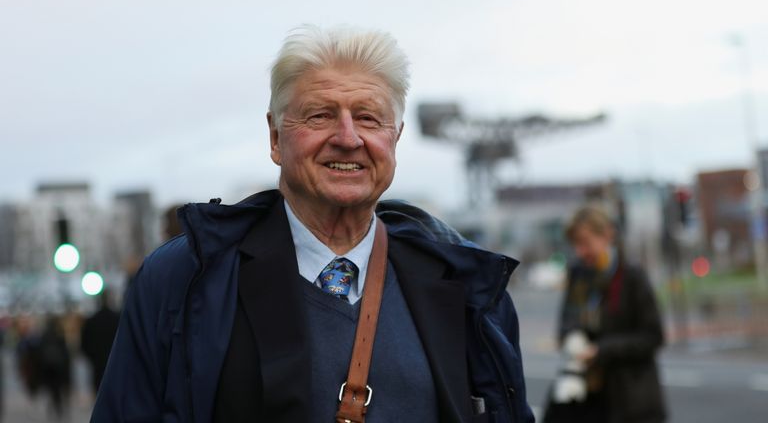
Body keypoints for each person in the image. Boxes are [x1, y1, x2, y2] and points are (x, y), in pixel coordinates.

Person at [92, 25, 533, 423]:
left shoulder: (465, 285)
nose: (347, 138)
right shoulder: (184, 279)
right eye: (320, 115)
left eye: (367, 117)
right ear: (275, 138)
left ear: (394, 138)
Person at [543, 205, 666, 423]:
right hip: (588, 395)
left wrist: (601, 350)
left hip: (631, 400)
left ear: (608, 234)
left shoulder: (632, 277)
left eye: (585, 242)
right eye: (575, 244)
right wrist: (572, 338)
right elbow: (566, 321)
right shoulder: (578, 275)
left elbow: (653, 336)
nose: (580, 252)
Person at [80, 291, 120, 394]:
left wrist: (92, 357)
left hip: (97, 362)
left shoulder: (91, 321)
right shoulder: (118, 319)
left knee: (99, 391)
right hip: (115, 362)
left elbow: (84, 343)